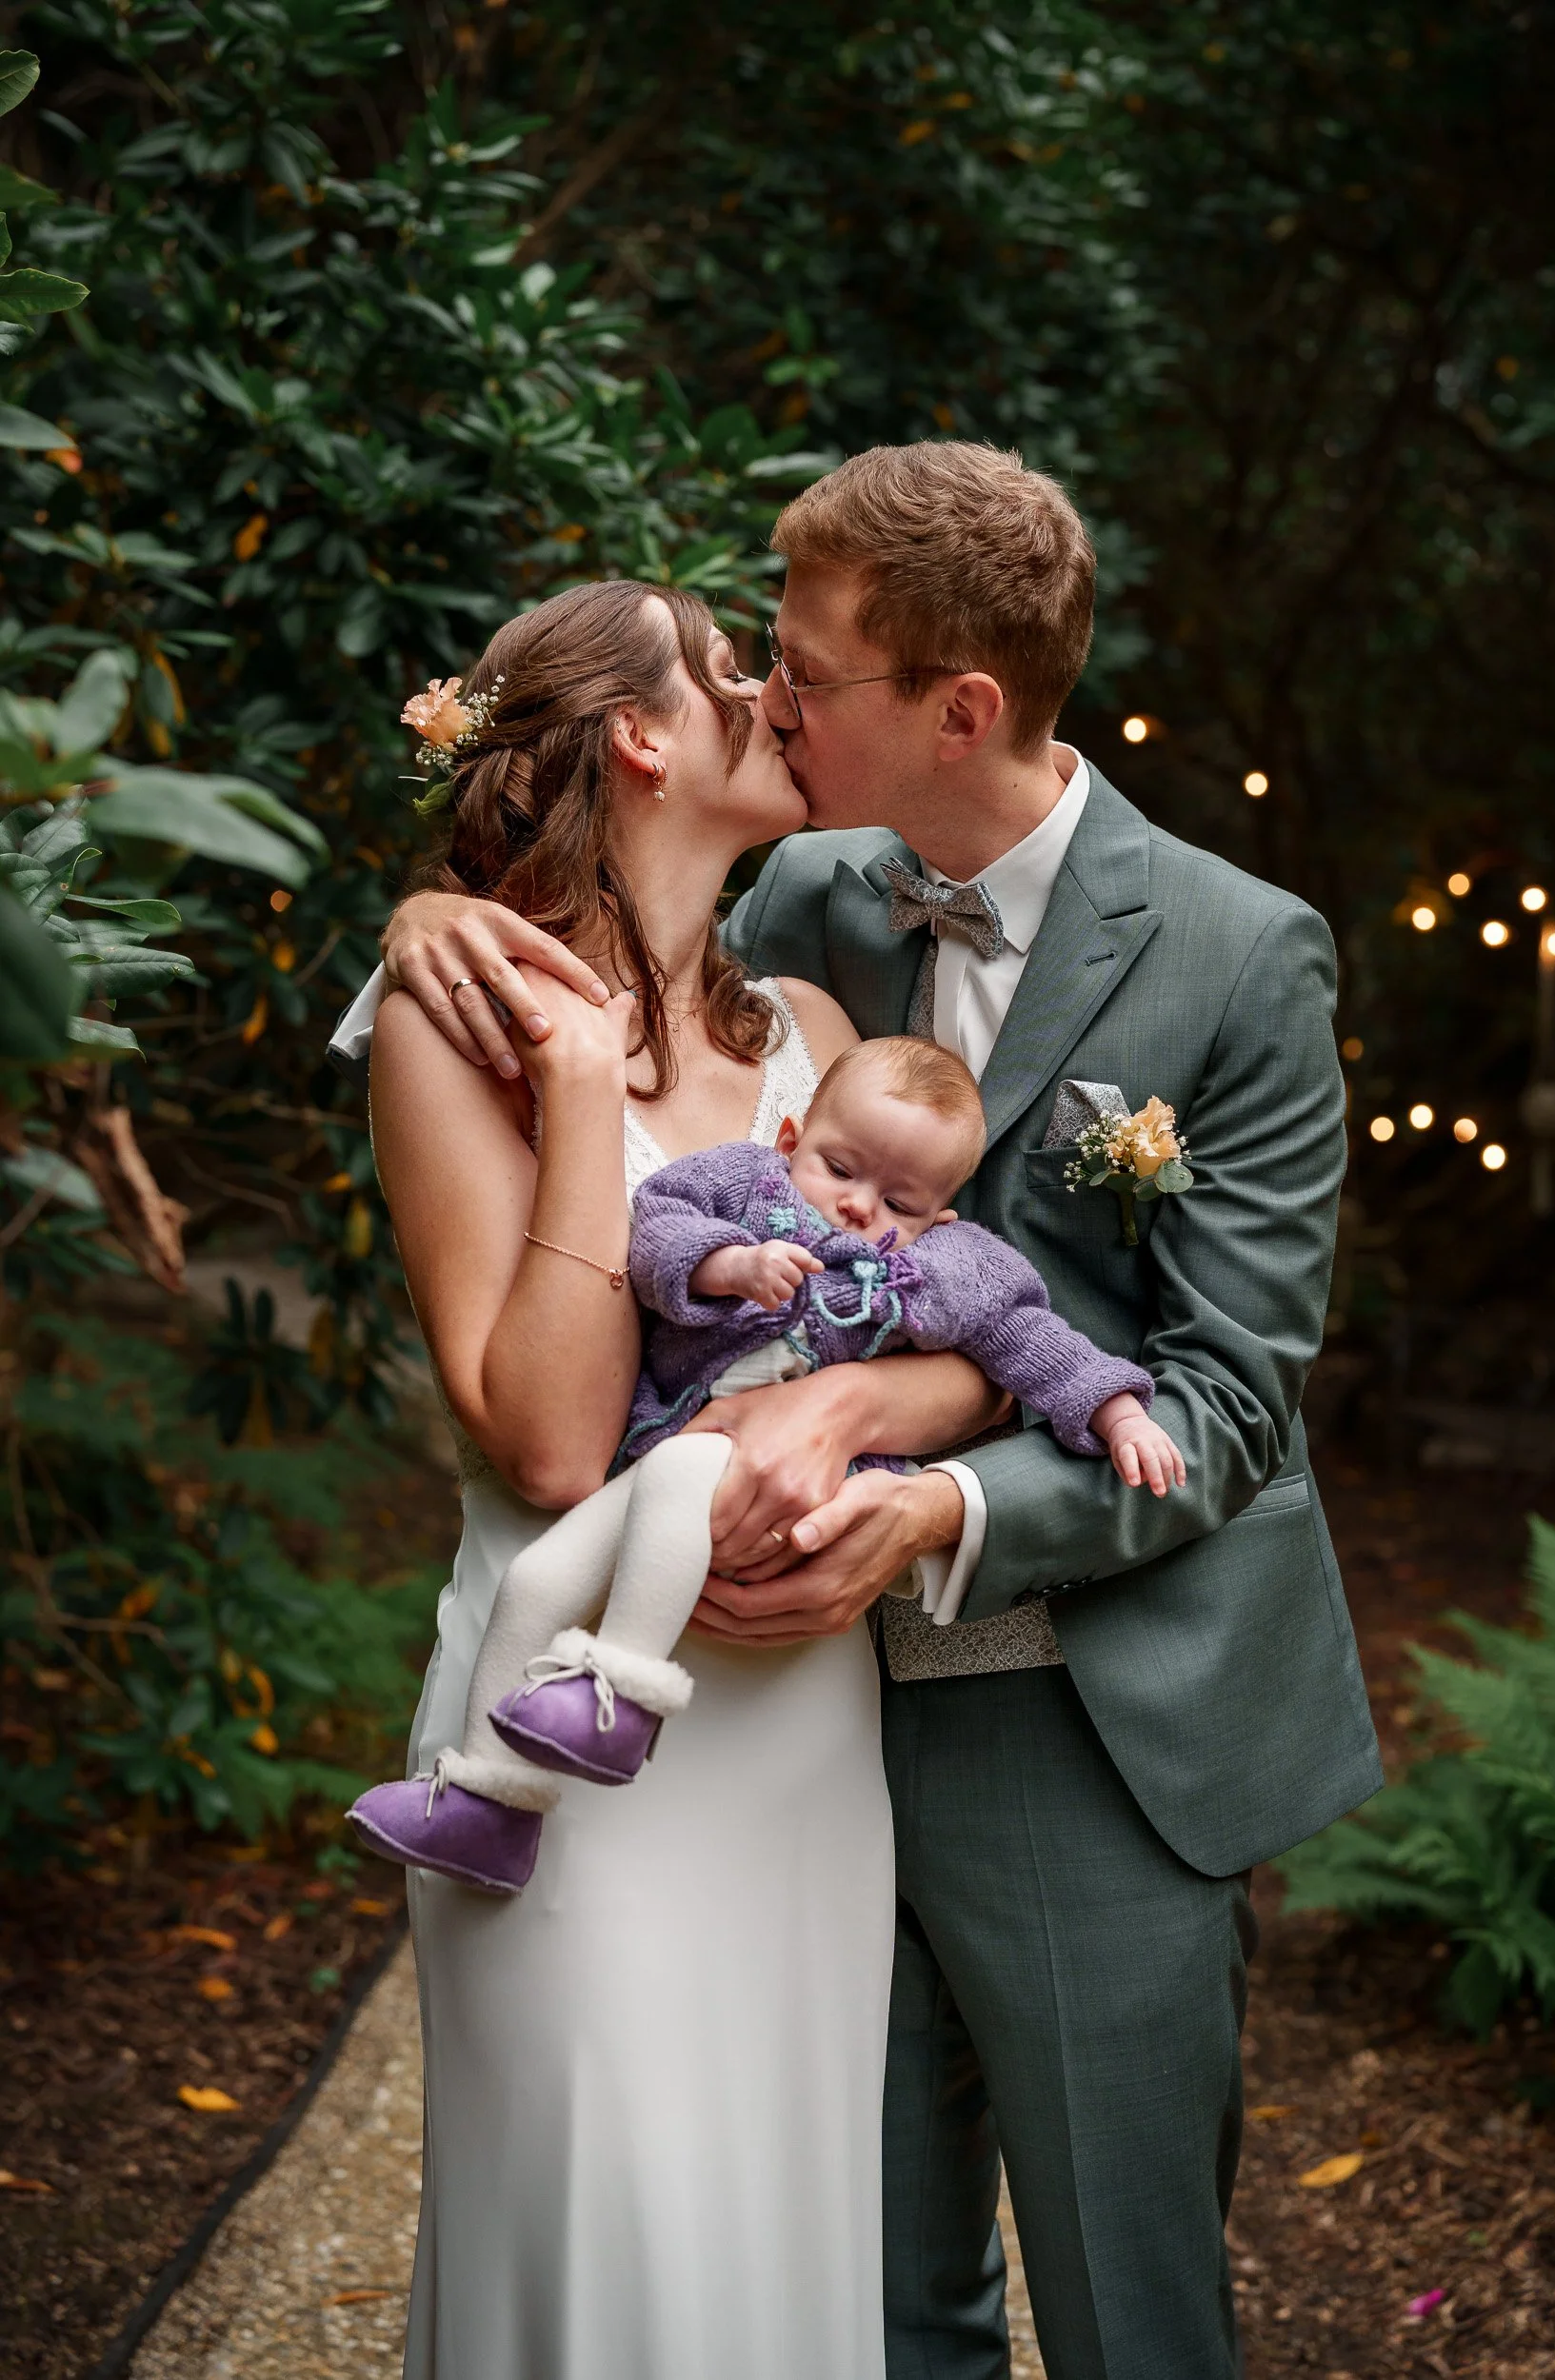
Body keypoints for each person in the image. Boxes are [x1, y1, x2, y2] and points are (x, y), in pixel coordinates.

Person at [342, 442, 1384, 2380]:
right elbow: (598, 926)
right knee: (855, 2293)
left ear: (956, 707)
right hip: (797, 1711)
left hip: (1090, 1713)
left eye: (800, 662)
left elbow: (1224, 1396)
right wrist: (427, 909)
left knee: (1122, 2301)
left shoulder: (1239, 953)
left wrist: (929, 1494)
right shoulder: (805, 897)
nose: (768, 697)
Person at [351, 576, 1010, 2380]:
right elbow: (555, 1444)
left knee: (773, 2241)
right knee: (606, 2235)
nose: (769, 694)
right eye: (730, 671)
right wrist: (580, 1086)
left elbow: (971, 1311)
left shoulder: (808, 1016)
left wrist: (873, 1416)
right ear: (639, 736)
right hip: (560, 1737)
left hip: (803, 1740)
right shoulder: (457, 1017)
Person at [348, 1036, 1182, 1894]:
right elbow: (655, 1230)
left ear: (941, 1216)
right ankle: (488, 1806)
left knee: (681, 1473)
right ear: (789, 1139)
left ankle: (619, 1700)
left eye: (899, 1197)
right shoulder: (743, 1186)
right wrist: (726, 1265)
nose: (859, 1206)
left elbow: (1031, 1341)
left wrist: (1116, 1412)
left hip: (805, 1497)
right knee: (537, 1578)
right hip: (677, 1445)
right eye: (840, 1168)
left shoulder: (946, 1268)